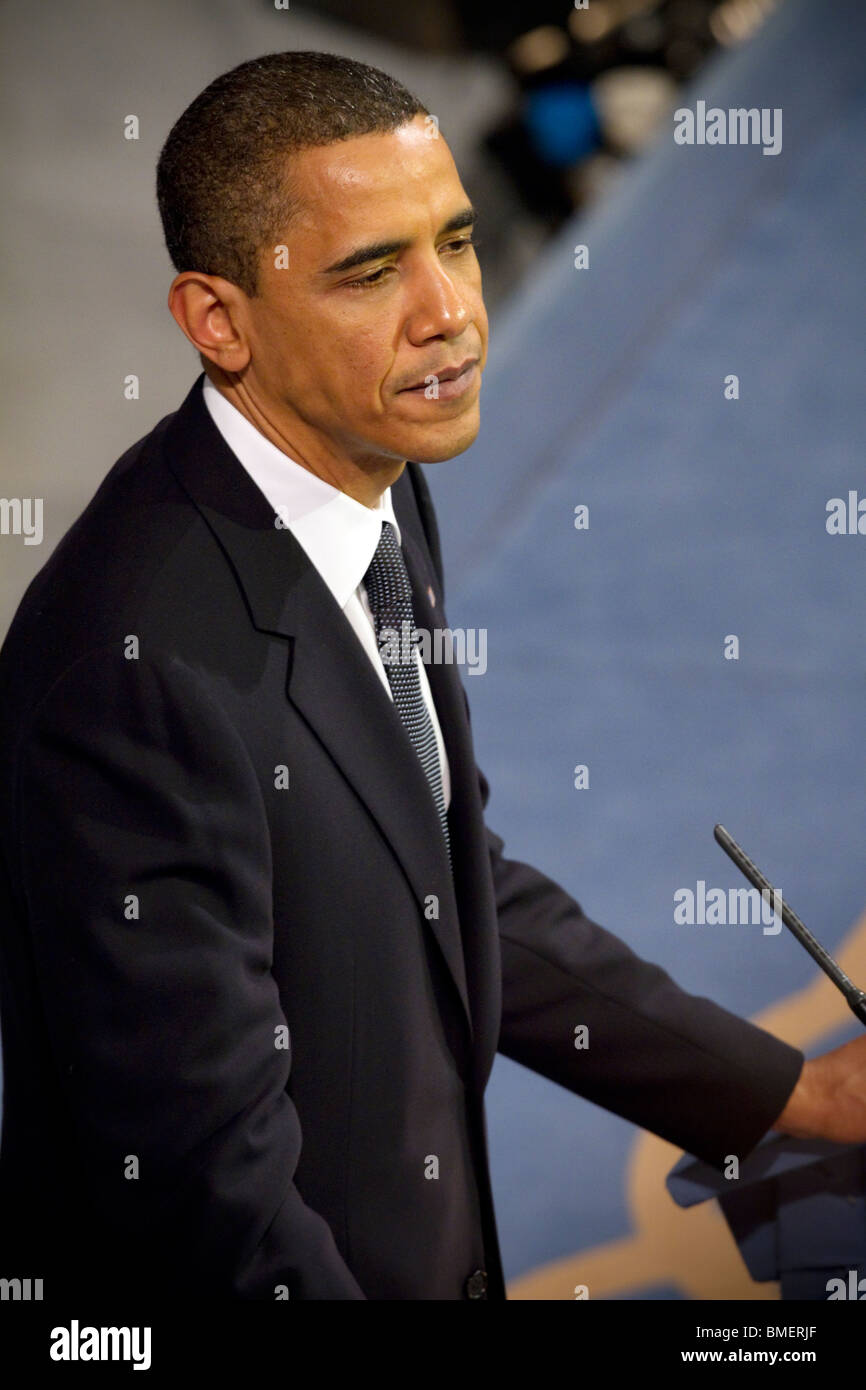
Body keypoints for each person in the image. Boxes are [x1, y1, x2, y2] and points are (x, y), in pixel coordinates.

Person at [1, 50, 864, 1303]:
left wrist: (790, 1090)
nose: (448, 311)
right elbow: (209, 1202)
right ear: (217, 319)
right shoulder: (130, 680)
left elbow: (448, 879)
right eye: (369, 273)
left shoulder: (370, 468)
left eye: (454, 244)